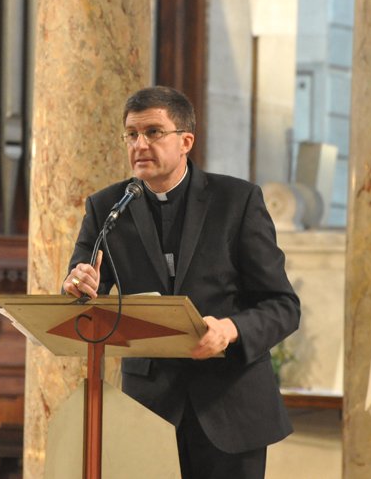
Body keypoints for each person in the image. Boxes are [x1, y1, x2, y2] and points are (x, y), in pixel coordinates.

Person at [63, 86, 300, 479]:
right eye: (132, 134)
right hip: (150, 407)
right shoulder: (107, 208)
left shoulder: (236, 201)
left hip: (231, 404)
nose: (140, 144)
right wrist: (76, 286)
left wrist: (230, 330)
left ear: (185, 141)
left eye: (153, 132)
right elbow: (82, 297)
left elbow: (283, 305)